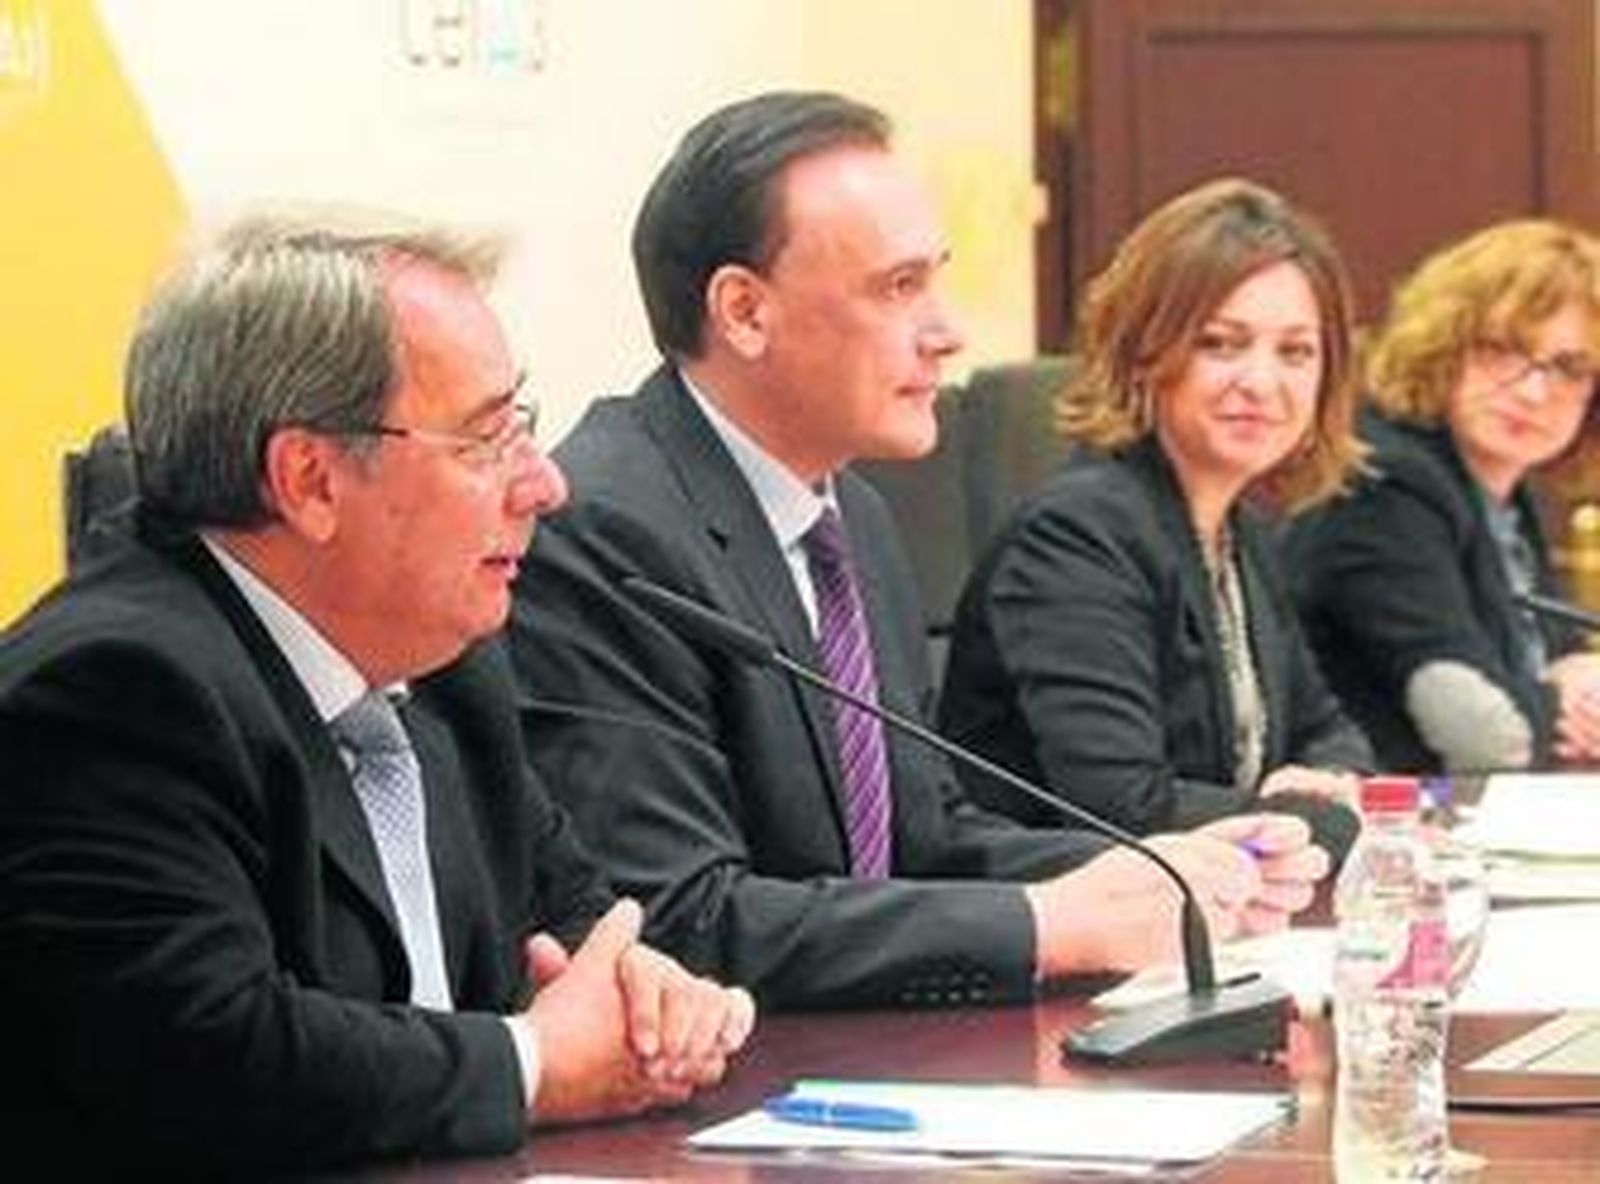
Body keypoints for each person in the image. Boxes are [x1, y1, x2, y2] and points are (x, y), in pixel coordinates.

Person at [508, 92, 1327, 1013]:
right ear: (744, 311)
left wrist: (1153, 871)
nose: (947, 333)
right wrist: (1043, 924)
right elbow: (674, 919)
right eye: (899, 288)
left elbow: (923, 838)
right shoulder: (608, 532)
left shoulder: (851, 514)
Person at [0, 211, 754, 1177]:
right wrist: (535, 1063)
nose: (545, 486)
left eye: (521, 427)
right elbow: (210, 1058)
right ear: (309, 479)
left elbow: (577, 918)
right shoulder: (113, 694)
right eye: (485, 440)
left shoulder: (441, 667)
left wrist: (645, 996)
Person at [938, 179, 1370, 860]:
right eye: (1222, 344)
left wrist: (1329, 782)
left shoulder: (1238, 531)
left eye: (1295, 352)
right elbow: (1125, 807)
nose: (1262, 382)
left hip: (1220, 901)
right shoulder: (1078, 537)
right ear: (1144, 353)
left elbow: (1330, 732)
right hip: (1064, 910)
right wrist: (1316, 817)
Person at [1284, 219, 1600, 772]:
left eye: (1569, 368)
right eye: (1503, 351)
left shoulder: (1507, 493)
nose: (1533, 392)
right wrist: (1562, 701)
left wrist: (1576, 683)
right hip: (1373, 809)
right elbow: (1485, 735)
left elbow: (1557, 663)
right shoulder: (1386, 486)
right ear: (1443, 346)